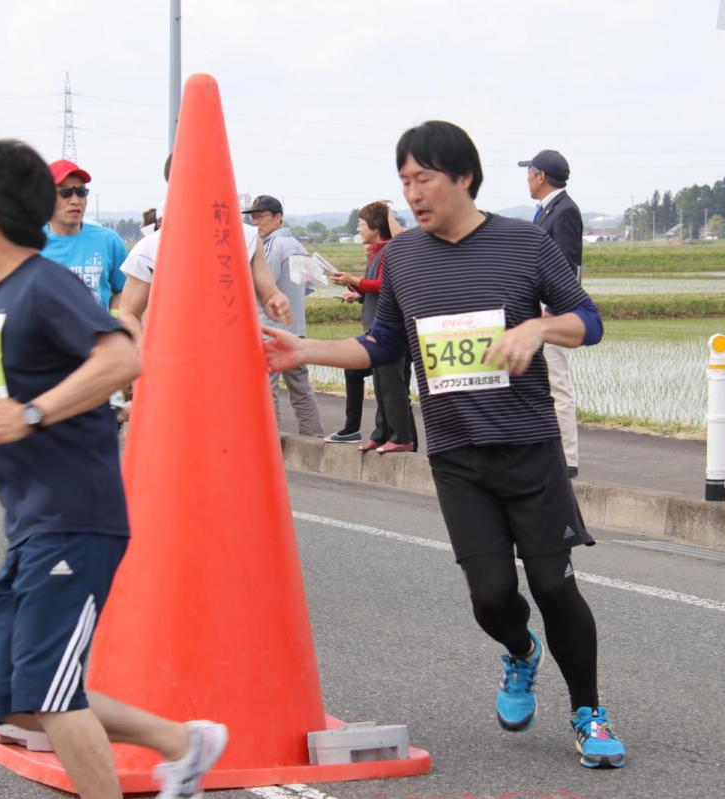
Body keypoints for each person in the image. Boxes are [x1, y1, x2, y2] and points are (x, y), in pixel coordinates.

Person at [262, 121, 625, 769]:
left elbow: (588, 321)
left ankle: (589, 711)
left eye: (423, 177)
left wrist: (539, 329)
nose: (413, 192)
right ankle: (520, 652)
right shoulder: (402, 258)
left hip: (529, 446)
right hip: (458, 453)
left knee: (553, 582)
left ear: (464, 177)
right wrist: (307, 349)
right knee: (490, 595)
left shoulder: (524, 242)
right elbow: (384, 346)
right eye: (404, 180)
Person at [0, 139, 226, 799]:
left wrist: (27, 416)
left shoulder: (43, 284)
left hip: (74, 519)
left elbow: (122, 359)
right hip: (32, 521)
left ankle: (172, 754)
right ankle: (185, 742)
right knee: (19, 698)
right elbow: (17, 409)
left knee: (53, 697)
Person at [117, 156, 290, 327]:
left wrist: (276, 301)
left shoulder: (247, 238)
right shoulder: (149, 249)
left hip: (234, 350)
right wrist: (141, 347)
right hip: (171, 352)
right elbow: (128, 312)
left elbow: (269, 295)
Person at [330, 201, 416, 453]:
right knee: (381, 386)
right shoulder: (376, 251)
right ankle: (381, 434)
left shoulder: (391, 251)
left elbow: (383, 285)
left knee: (392, 386)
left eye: (362, 224)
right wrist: (355, 289)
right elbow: (374, 288)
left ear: (376, 226)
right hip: (375, 328)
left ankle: (401, 438)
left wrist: (355, 280)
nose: (358, 229)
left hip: (390, 331)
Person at [521, 149, 583, 478]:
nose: (526, 179)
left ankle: (568, 459)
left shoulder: (565, 212)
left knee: (558, 384)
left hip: (555, 315)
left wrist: (552, 310)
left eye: (529, 172)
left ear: (541, 176)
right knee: (539, 384)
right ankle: (547, 451)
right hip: (540, 314)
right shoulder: (546, 211)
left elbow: (569, 267)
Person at [243, 195, 323, 437]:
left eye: (262, 216)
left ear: (278, 218)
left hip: (269, 332)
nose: (256, 223)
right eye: (253, 217)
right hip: (296, 331)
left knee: (267, 392)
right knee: (301, 390)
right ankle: (314, 438)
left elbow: (261, 284)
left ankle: (269, 445)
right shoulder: (299, 246)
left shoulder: (269, 246)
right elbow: (308, 287)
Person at [41, 160, 129, 311]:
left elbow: (124, 290)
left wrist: (113, 323)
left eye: (81, 192)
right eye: (65, 193)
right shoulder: (28, 245)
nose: (75, 201)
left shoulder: (109, 241)